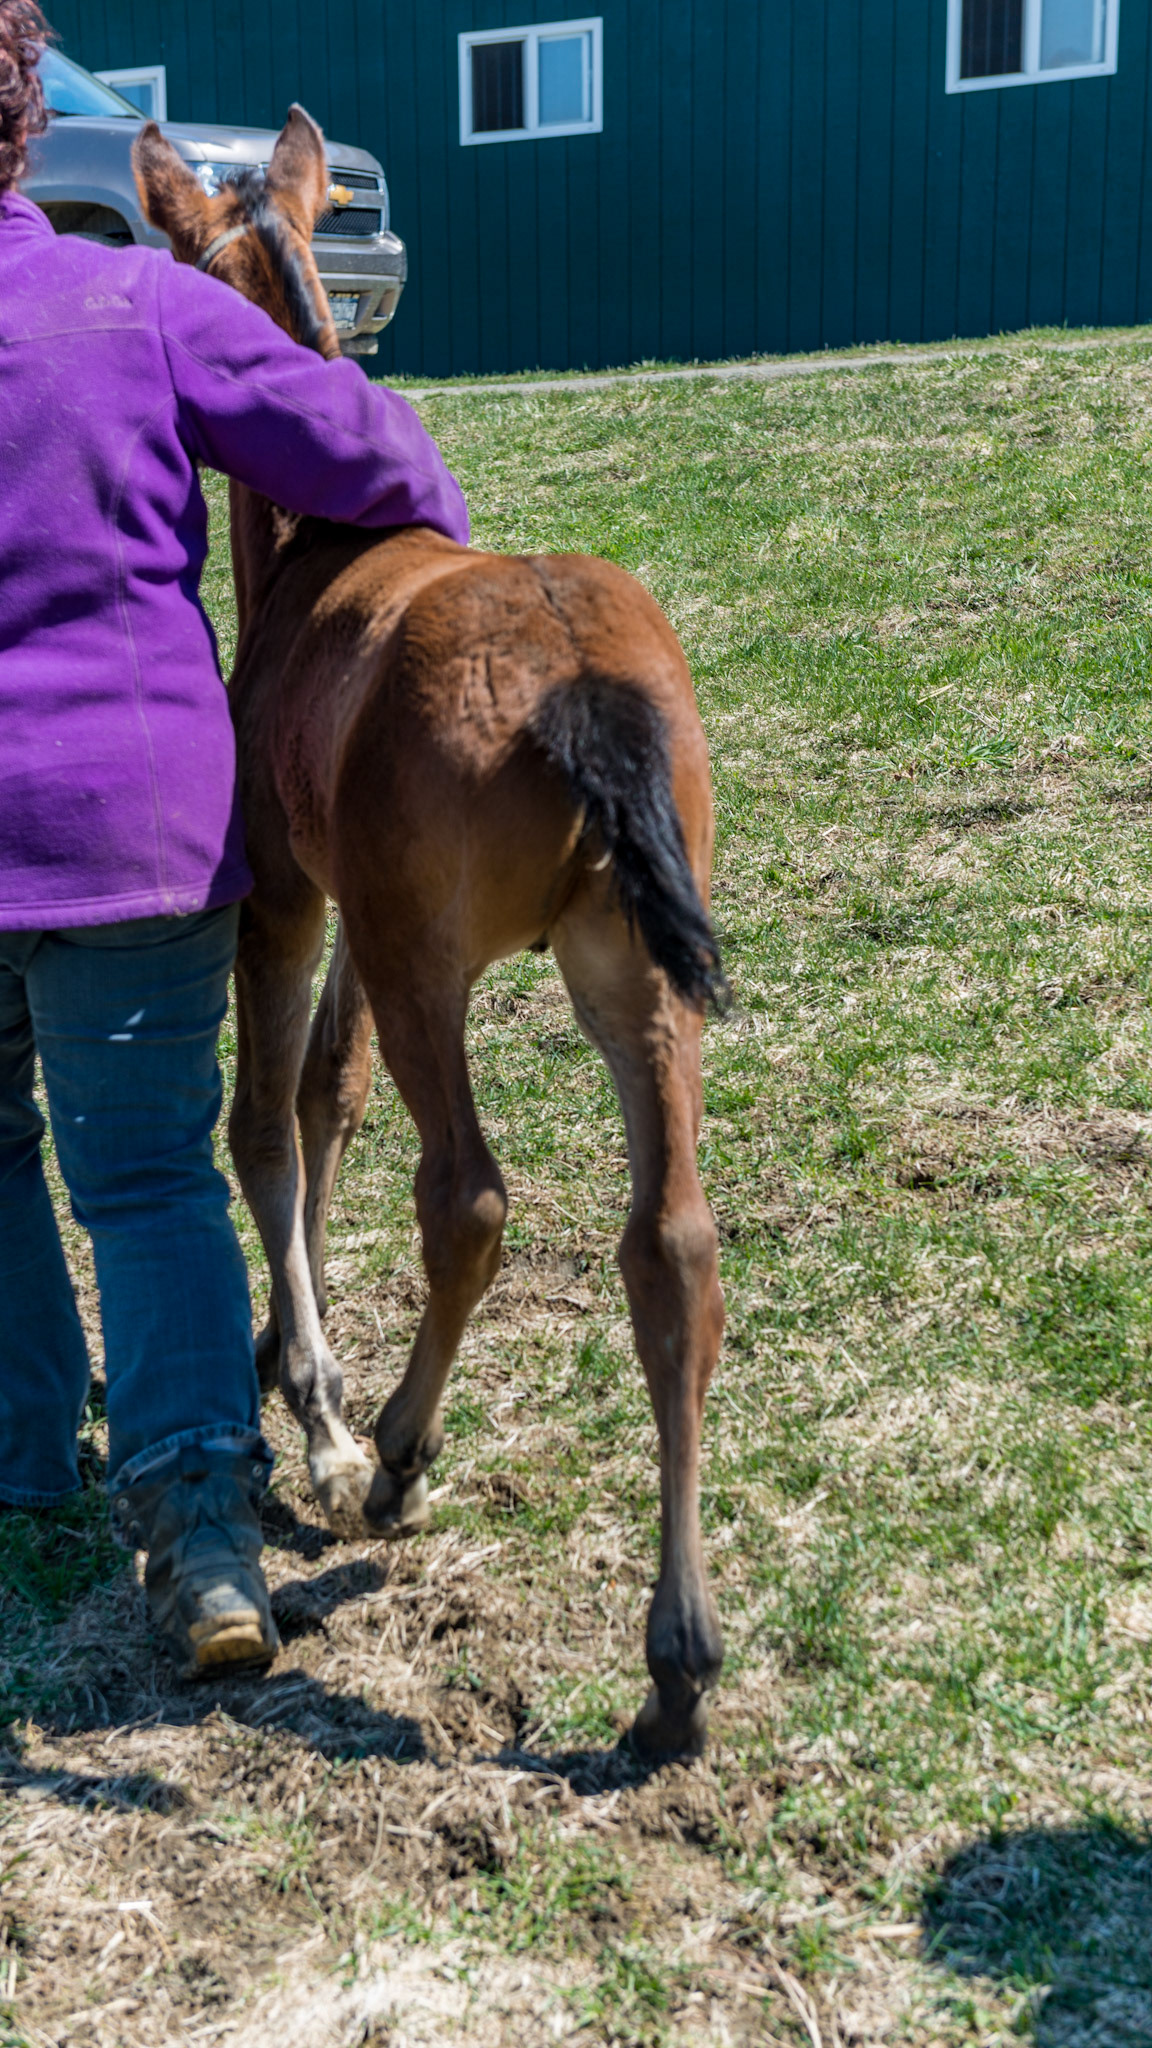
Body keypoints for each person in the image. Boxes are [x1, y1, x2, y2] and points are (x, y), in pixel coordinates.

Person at [0, 3, 470, 1672]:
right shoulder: (130, 298)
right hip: (124, 821)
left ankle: (22, 1457)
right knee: (146, 1180)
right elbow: (364, 444)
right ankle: (202, 1533)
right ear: (21, 135)